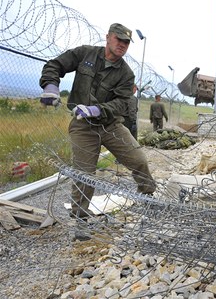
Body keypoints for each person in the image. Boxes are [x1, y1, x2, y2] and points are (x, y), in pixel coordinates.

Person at [39, 23, 157, 225]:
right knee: (84, 175)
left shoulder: (126, 74)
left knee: (139, 160)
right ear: (108, 37)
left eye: (126, 42)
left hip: (111, 125)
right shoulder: (86, 54)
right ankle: (80, 220)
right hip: (82, 125)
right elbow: (55, 65)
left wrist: (97, 110)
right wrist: (51, 86)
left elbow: (121, 103)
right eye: (119, 39)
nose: (122, 44)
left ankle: (147, 196)